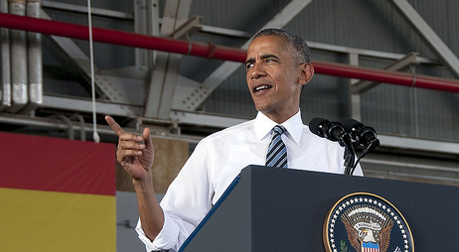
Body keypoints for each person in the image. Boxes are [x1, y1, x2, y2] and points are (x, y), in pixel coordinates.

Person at [106, 28, 363, 252]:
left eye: (269, 60)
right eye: (249, 64)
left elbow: (360, 233)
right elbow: (167, 238)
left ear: (304, 73)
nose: (255, 72)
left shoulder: (337, 153)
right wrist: (142, 182)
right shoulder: (215, 149)